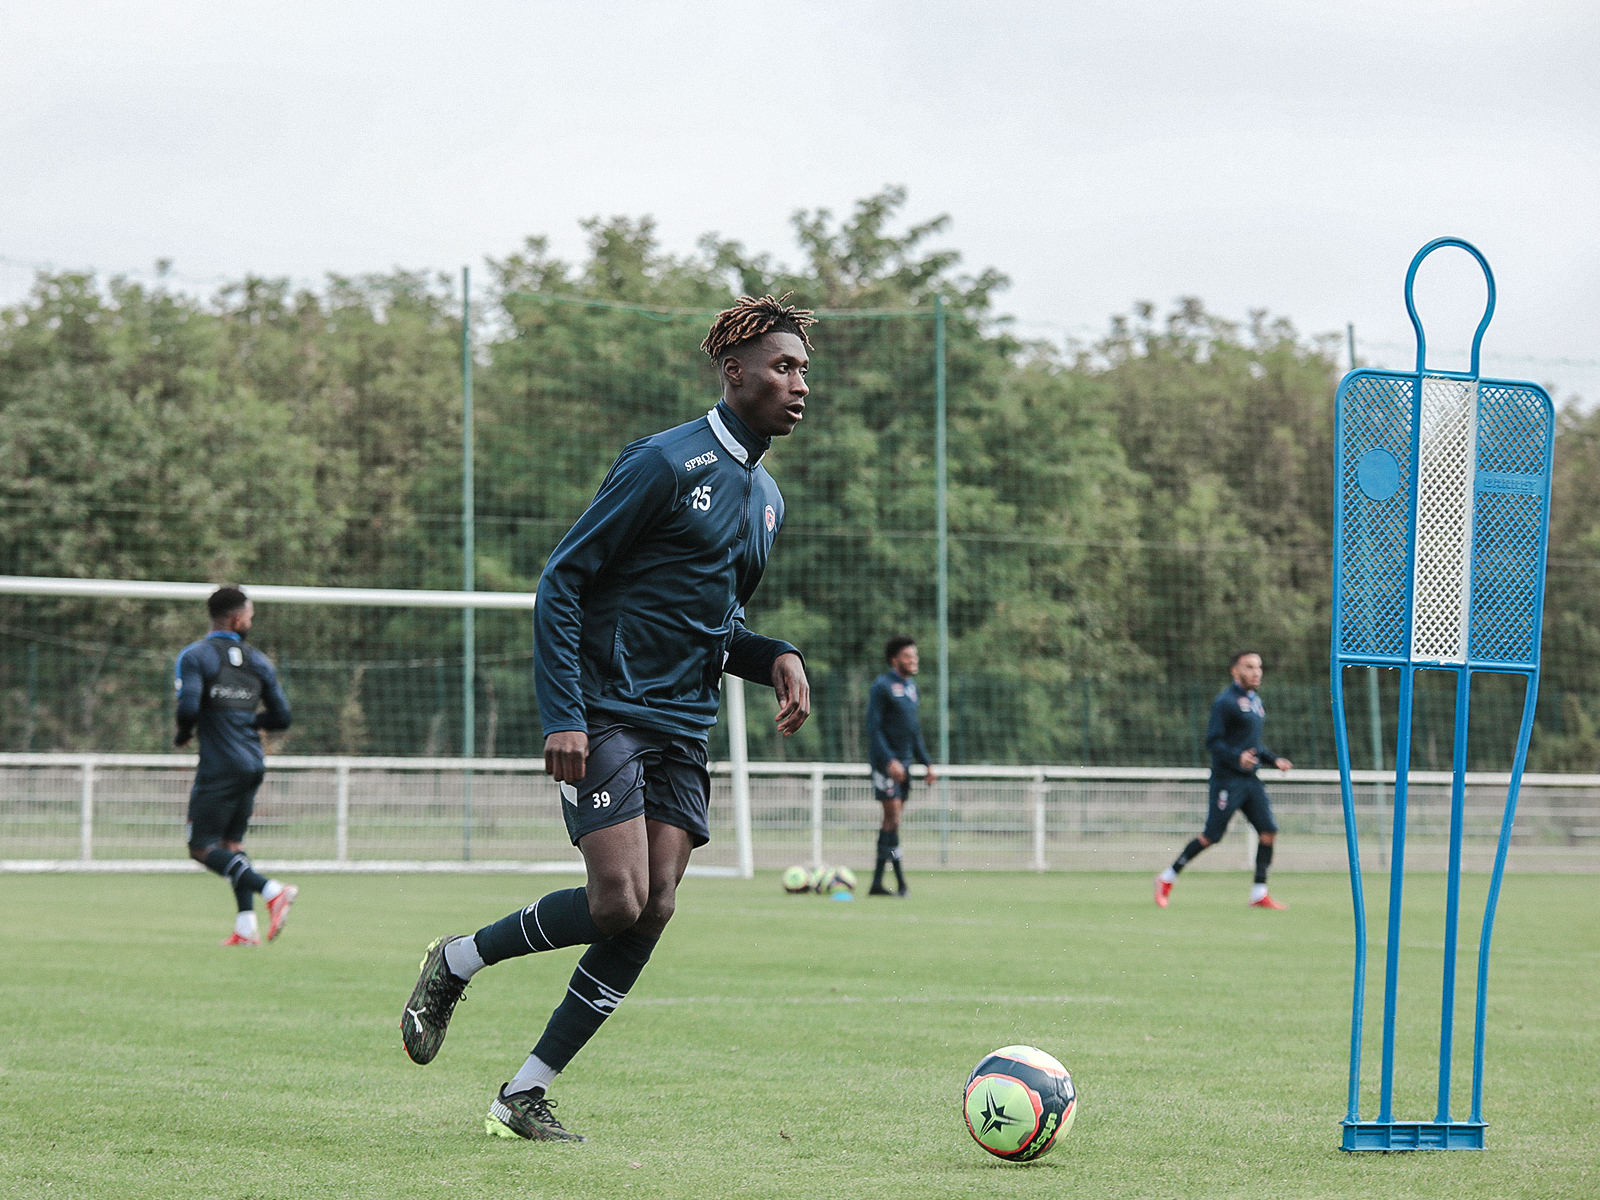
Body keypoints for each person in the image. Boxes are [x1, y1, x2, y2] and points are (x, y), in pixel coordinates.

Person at [400, 294, 815, 1142]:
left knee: (654, 904)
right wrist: (565, 713)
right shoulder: (665, 462)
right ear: (734, 373)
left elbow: (715, 625)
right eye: (783, 367)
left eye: (804, 370)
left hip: (681, 725)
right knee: (618, 899)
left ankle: (523, 1093)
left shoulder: (766, 499)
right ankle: (457, 960)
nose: (799, 384)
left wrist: (775, 653)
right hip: (606, 711)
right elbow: (563, 580)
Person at [174, 586, 297, 945]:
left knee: (200, 848)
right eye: (251, 616)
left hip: (220, 764)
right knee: (231, 845)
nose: (251, 622)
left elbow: (187, 708)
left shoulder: (196, 656)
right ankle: (246, 927)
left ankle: (273, 890)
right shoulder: (258, 661)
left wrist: (184, 733)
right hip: (252, 763)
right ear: (237, 619)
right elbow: (282, 718)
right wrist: (247, 722)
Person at [1155, 651, 1292, 909]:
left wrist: (1273, 760)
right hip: (1227, 780)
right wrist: (1236, 757)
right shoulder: (1225, 702)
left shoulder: (1255, 701)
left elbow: (1252, 745)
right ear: (1234, 671)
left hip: (1250, 780)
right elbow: (1213, 742)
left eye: (1259, 667)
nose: (1256, 672)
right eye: (1249, 667)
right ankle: (1166, 878)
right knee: (1211, 836)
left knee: (1268, 832)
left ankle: (1259, 893)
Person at [865, 635, 936, 896]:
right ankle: (901, 883)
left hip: (905, 766)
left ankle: (877, 884)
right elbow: (872, 729)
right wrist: (889, 761)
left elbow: (914, 731)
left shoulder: (911, 688)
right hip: (887, 765)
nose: (914, 660)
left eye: (915, 656)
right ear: (895, 660)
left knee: (891, 822)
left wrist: (927, 764)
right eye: (909, 656)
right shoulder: (882, 686)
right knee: (893, 818)